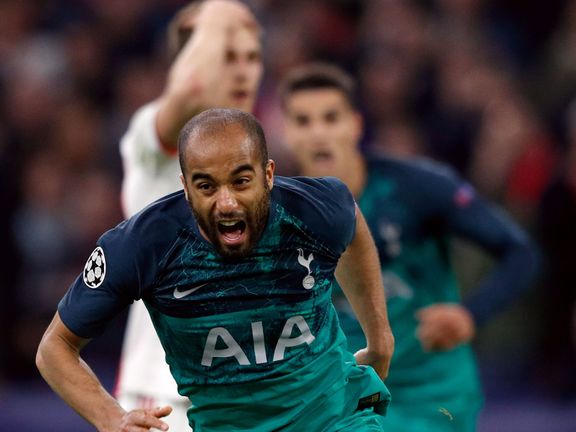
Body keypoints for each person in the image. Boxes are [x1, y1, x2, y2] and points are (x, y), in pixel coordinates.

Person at [37, 108, 394, 431]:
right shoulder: (142, 245)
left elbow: (352, 226)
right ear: (186, 187)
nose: (226, 203)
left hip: (337, 419)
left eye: (241, 182)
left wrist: (379, 339)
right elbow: (55, 347)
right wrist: (111, 418)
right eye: (206, 186)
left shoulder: (314, 210)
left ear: (268, 174)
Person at [278, 63, 540, 431]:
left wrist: (470, 315)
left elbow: (520, 254)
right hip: (346, 392)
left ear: (355, 124)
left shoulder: (417, 188)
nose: (318, 133)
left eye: (330, 118)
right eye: (303, 121)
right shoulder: (281, 215)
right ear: (287, 132)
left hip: (432, 395)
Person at [116, 1, 263, 429]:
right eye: (227, 57)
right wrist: (222, 10)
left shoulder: (258, 162)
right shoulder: (154, 137)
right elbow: (192, 88)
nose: (242, 72)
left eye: (252, 58)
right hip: (162, 401)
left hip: (241, 402)